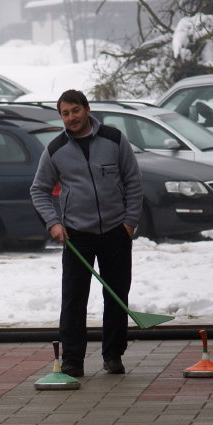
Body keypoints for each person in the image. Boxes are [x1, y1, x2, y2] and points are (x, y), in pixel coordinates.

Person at [30, 89, 143, 376]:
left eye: (75, 111)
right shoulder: (55, 149)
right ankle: (73, 360)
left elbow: (133, 181)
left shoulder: (114, 139)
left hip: (116, 231)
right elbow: (39, 190)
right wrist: (54, 223)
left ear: (87, 109)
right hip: (76, 234)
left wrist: (129, 222)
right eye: (65, 114)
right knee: (73, 299)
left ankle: (113, 355)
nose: (71, 118)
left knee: (116, 295)